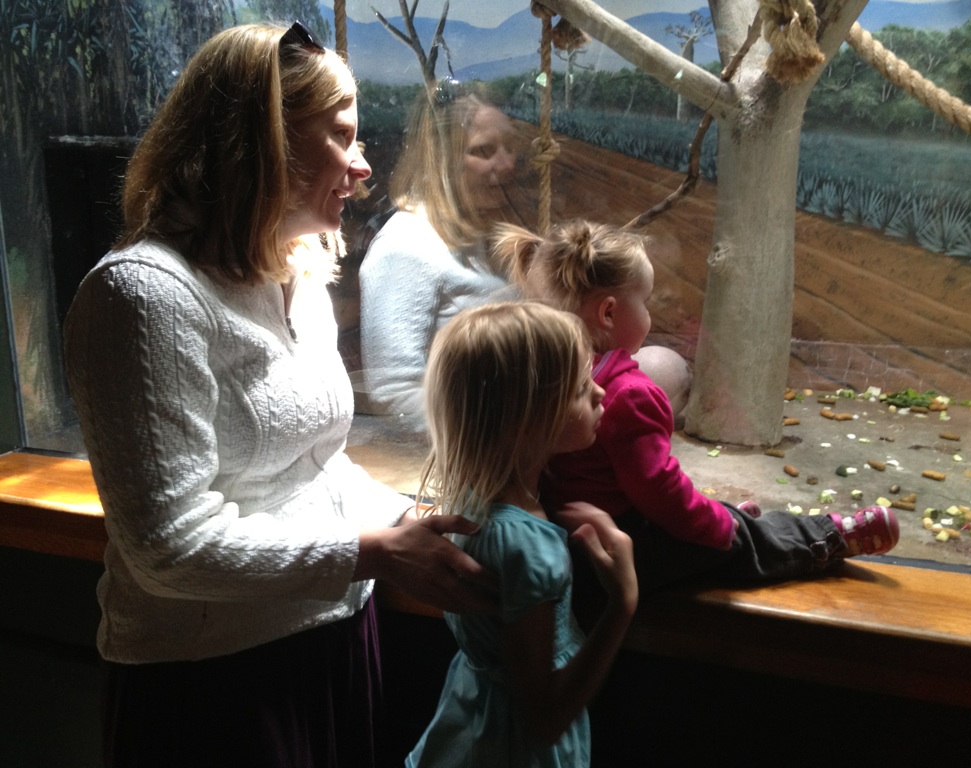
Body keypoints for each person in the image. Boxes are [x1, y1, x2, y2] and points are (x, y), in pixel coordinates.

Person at [63, 22, 495, 768]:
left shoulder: (295, 272)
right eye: (342, 136)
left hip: (336, 645)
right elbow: (170, 548)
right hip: (214, 687)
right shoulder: (141, 297)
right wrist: (375, 552)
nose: (362, 165)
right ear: (261, 140)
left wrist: (410, 519)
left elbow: (316, 467)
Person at [494, 219, 900, 599]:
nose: (650, 315)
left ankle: (730, 518)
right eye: (645, 302)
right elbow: (660, 491)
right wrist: (718, 529)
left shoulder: (549, 378)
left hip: (568, 534)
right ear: (609, 312)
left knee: (710, 516)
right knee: (737, 541)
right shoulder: (629, 394)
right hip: (619, 544)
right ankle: (825, 537)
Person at [407, 302, 637, 767]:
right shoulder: (527, 547)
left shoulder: (467, 500)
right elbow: (545, 718)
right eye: (579, 389)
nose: (599, 392)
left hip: (469, 724)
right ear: (523, 420)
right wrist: (623, 603)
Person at [358, 85, 519, 425]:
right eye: (484, 150)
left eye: (510, 147)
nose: (508, 164)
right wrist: (498, 436)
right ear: (441, 159)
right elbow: (393, 394)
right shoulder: (405, 246)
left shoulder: (476, 234)